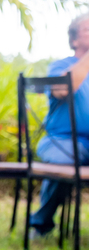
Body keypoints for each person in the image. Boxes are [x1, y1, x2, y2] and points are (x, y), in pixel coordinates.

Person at [27, 13, 89, 237]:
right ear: (74, 40)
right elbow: (62, 89)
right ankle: (41, 222)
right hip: (60, 140)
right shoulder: (60, 66)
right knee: (66, 159)